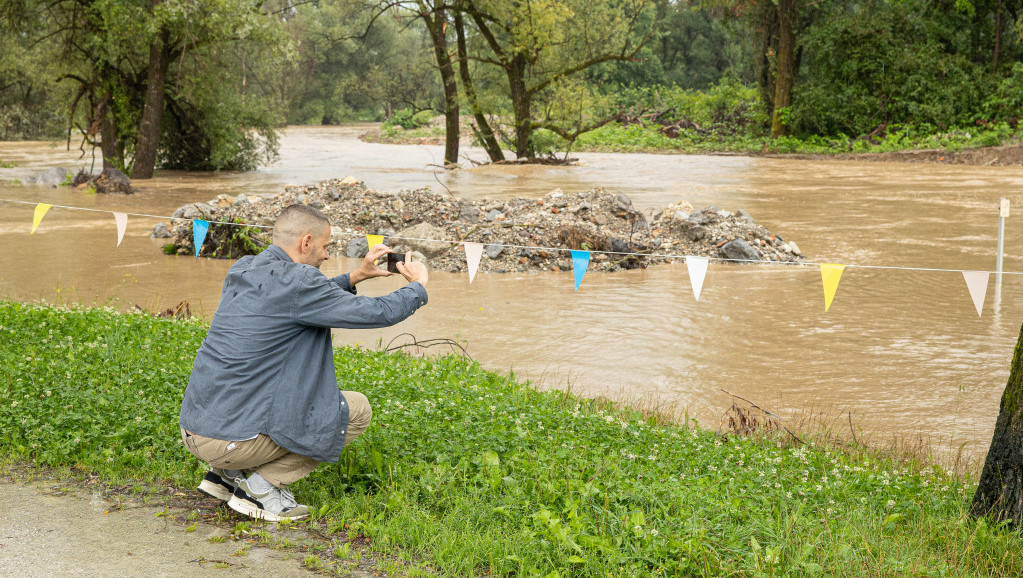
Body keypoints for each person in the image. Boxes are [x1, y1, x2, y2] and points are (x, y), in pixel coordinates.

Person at [179, 204, 428, 522]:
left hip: (197, 428)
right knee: (355, 410)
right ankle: (260, 489)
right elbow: (378, 312)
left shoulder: (243, 268)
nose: (326, 256)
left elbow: (299, 300)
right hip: (228, 440)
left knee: (267, 383)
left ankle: (224, 477)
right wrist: (418, 287)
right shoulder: (300, 283)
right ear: (306, 242)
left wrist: (356, 276)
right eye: (325, 247)